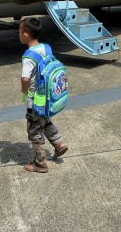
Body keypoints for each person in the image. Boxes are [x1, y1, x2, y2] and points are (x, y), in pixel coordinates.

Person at [20, 17, 68, 173]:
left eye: (19, 31)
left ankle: (40, 163)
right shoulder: (46, 48)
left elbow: (25, 78)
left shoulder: (28, 56)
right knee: (45, 121)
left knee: (34, 130)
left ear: (26, 34)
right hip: (47, 97)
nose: (18, 34)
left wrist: (24, 90)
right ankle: (59, 144)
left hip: (35, 99)